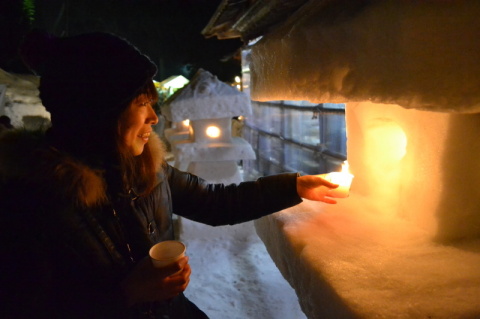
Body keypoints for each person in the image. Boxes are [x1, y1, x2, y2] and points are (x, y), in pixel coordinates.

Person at [0, 30, 340, 319]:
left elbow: (215, 202)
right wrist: (127, 295)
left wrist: (293, 185)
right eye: (140, 104)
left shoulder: (145, 169)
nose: (154, 118)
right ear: (96, 113)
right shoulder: (29, 205)